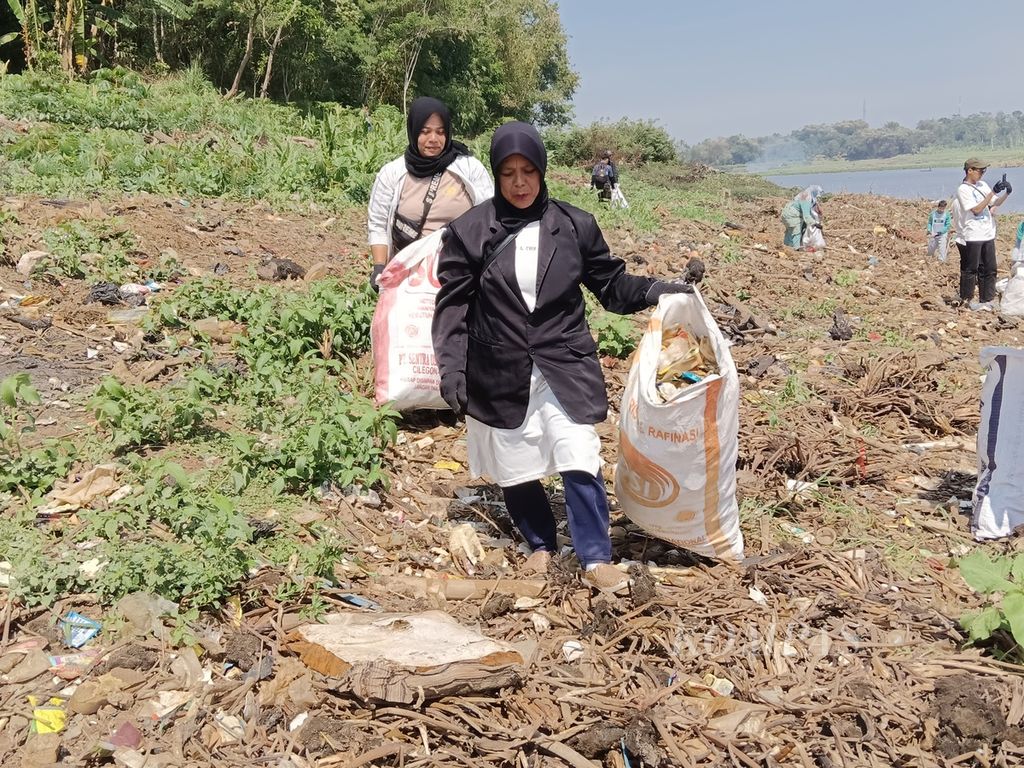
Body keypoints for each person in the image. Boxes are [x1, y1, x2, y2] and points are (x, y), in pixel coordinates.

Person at [432, 122, 693, 591]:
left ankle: (595, 556)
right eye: (508, 172)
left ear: (542, 169)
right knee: (516, 466)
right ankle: (540, 546)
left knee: (578, 453)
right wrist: (451, 368)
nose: (518, 182)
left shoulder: (574, 224)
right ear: (495, 174)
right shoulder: (470, 233)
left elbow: (611, 285)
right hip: (499, 368)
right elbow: (452, 307)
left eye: (527, 170)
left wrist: (657, 289)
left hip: (563, 362)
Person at [366, 97, 493, 290]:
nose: (433, 139)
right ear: (414, 131)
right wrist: (379, 267)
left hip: (459, 274)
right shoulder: (393, 173)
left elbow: (490, 217)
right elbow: (378, 223)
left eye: (440, 132)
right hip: (407, 274)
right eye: (425, 132)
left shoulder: (469, 168)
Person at [955, 158, 1012, 310]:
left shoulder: (983, 185)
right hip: (973, 234)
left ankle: (987, 299)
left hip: (988, 233)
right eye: (980, 171)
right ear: (970, 171)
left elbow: (995, 203)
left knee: (990, 268)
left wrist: (1006, 193)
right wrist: (992, 192)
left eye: (984, 171)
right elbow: (976, 209)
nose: (982, 174)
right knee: (971, 268)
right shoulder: (963, 189)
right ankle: (966, 299)